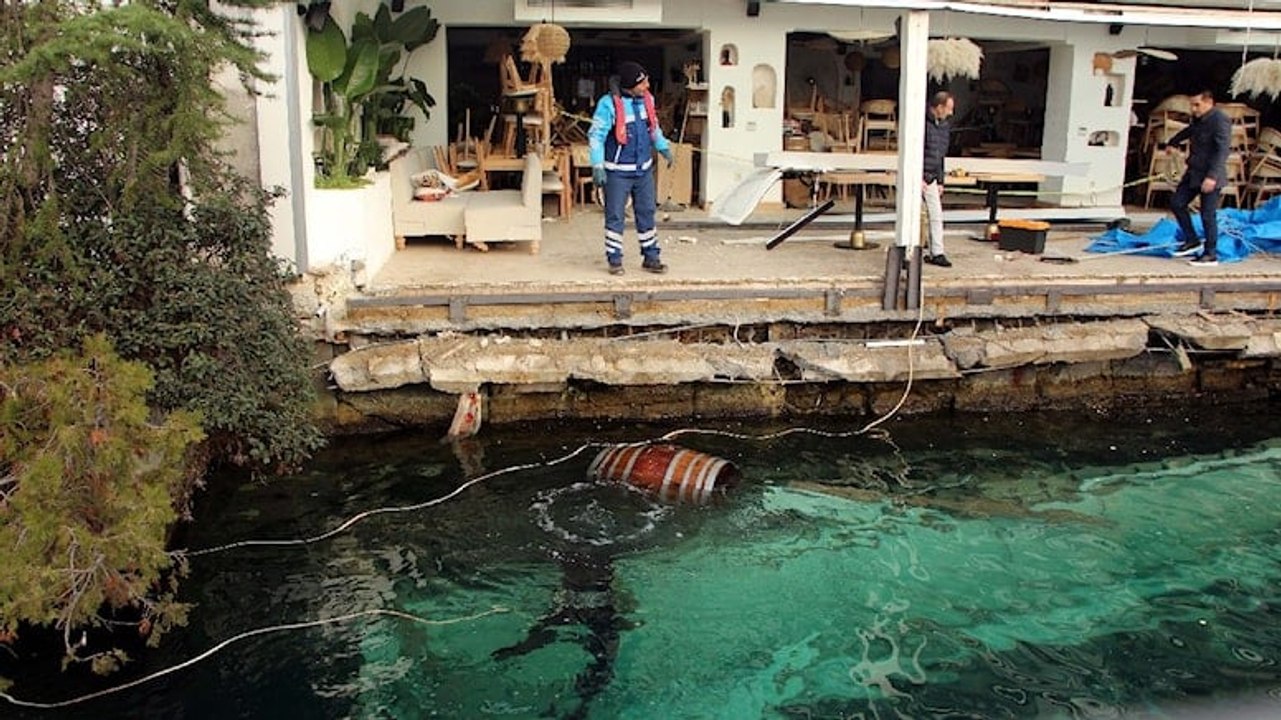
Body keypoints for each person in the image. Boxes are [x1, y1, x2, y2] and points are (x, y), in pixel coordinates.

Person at [588, 60, 674, 275]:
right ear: (630, 85)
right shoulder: (608, 105)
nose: (647, 87)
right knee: (615, 215)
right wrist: (597, 165)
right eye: (643, 83)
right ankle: (615, 259)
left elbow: (653, 128)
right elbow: (596, 136)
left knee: (647, 212)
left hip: (643, 171)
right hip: (617, 172)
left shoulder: (648, 100)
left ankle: (651, 257)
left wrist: (663, 147)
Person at [1165, 89, 1231, 267]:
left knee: (1207, 215)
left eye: (1197, 105)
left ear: (1209, 102)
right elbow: (1189, 131)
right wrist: (1173, 142)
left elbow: (1222, 150)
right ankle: (1191, 240)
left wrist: (1212, 176)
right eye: (1192, 105)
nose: (1194, 109)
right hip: (1194, 171)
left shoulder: (1219, 119)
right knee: (1177, 203)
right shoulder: (1199, 119)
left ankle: (1210, 254)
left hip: (1210, 175)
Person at [921, 90, 955, 267]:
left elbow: (941, 156)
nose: (950, 113)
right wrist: (917, 177)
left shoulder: (944, 126)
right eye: (948, 108)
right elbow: (916, 151)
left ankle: (937, 252)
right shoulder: (921, 122)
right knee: (913, 217)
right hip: (918, 177)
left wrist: (941, 180)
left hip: (933, 176)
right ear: (939, 107)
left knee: (936, 215)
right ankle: (908, 252)